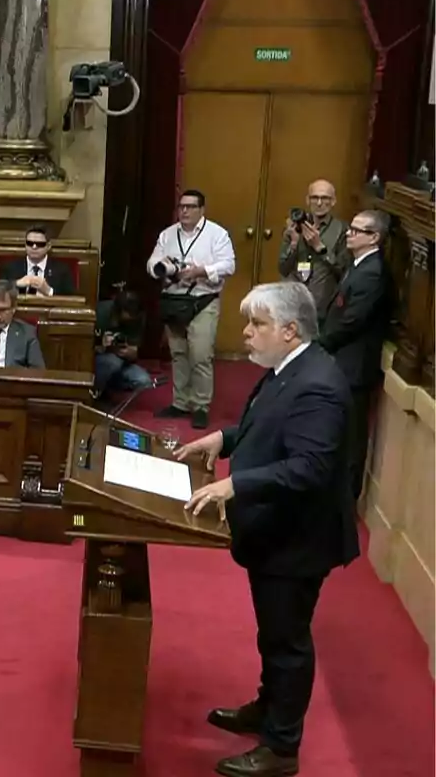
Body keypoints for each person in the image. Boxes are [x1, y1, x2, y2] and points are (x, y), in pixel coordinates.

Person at [175, 282, 357, 777]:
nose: (247, 333)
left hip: (298, 539)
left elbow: (309, 468)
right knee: (272, 633)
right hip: (273, 530)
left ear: (289, 329)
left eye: (257, 324)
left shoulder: (318, 384)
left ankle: (281, 747)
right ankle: (267, 707)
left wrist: (235, 486)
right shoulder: (287, 369)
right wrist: (223, 437)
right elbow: (266, 427)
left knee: (287, 639)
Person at [318, 208, 393, 501]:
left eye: (357, 230)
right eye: (350, 228)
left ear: (374, 237)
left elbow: (352, 321)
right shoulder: (359, 264)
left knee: (351, 440)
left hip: (354, 366)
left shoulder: (373, 273)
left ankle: (345, 504)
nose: (349, 233)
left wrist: (319, 345)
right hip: (343, 362)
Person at [147, 188, 235, 429]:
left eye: (190, 207)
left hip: (203, 300)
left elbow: (228, 265)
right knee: (178, 354)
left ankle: (200, 406)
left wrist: (200, 271)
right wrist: (163, 269)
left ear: (201, 210)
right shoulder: (168, 234)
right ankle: (180, 402)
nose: (184, 211)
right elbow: (152, 261)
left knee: (200, 355)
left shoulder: (216, 234)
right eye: (181, 206)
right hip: (174, 301)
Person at [277, 179, 349, 324]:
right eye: (315, 198)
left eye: (325, 198)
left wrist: (321, 249)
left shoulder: (342, 230)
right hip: (293, 300)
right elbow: (283, 269)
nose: (319, 203)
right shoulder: (294, 226)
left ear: (333, 201)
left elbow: (344, 271)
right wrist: (294, 243)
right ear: (308, 200)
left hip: (321, 304)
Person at [93, 289, 152, 399]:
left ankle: (107, 386)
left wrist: (132, 353)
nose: (130, 320)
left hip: (122, 362)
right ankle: (94, 392)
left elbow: (135, 349)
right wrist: (100, 344)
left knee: (144, 381)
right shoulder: (100, 312)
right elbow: (81, 348)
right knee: (112, 362)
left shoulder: (137, 317)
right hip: (97, 360)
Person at [0, 225, 76, 296]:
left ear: (48, 246)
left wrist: (49, 291)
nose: (34, 247)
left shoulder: (62, 270)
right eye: (30, 243)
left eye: (40, 244)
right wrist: (16, 284)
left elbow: (72, 299)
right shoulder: (10, 267)